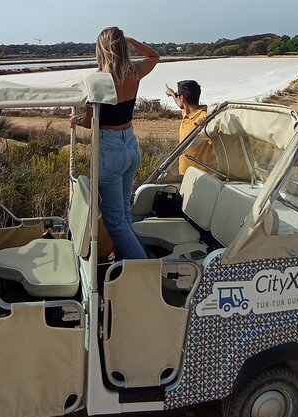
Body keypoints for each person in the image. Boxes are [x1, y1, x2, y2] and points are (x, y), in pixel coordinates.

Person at [69, 27, 159, 259]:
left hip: (109, 149)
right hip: (130, 144)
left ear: (101, 50)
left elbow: (91, 122)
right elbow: (154, 56)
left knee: (114, 221)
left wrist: (77, 120)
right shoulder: (135, 72)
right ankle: (125, 265)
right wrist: (132, 40)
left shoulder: (97, 81)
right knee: (124, 213)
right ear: (122, 46)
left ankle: (142, 270)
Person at [165, 80, 215, 175]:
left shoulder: (204, 118)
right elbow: (178, 102)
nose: (177, 97)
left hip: (201, 179)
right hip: (184, 177)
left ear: (182, 98)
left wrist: (205, 127)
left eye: (177, 94)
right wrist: (171, 93)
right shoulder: (187, 112)